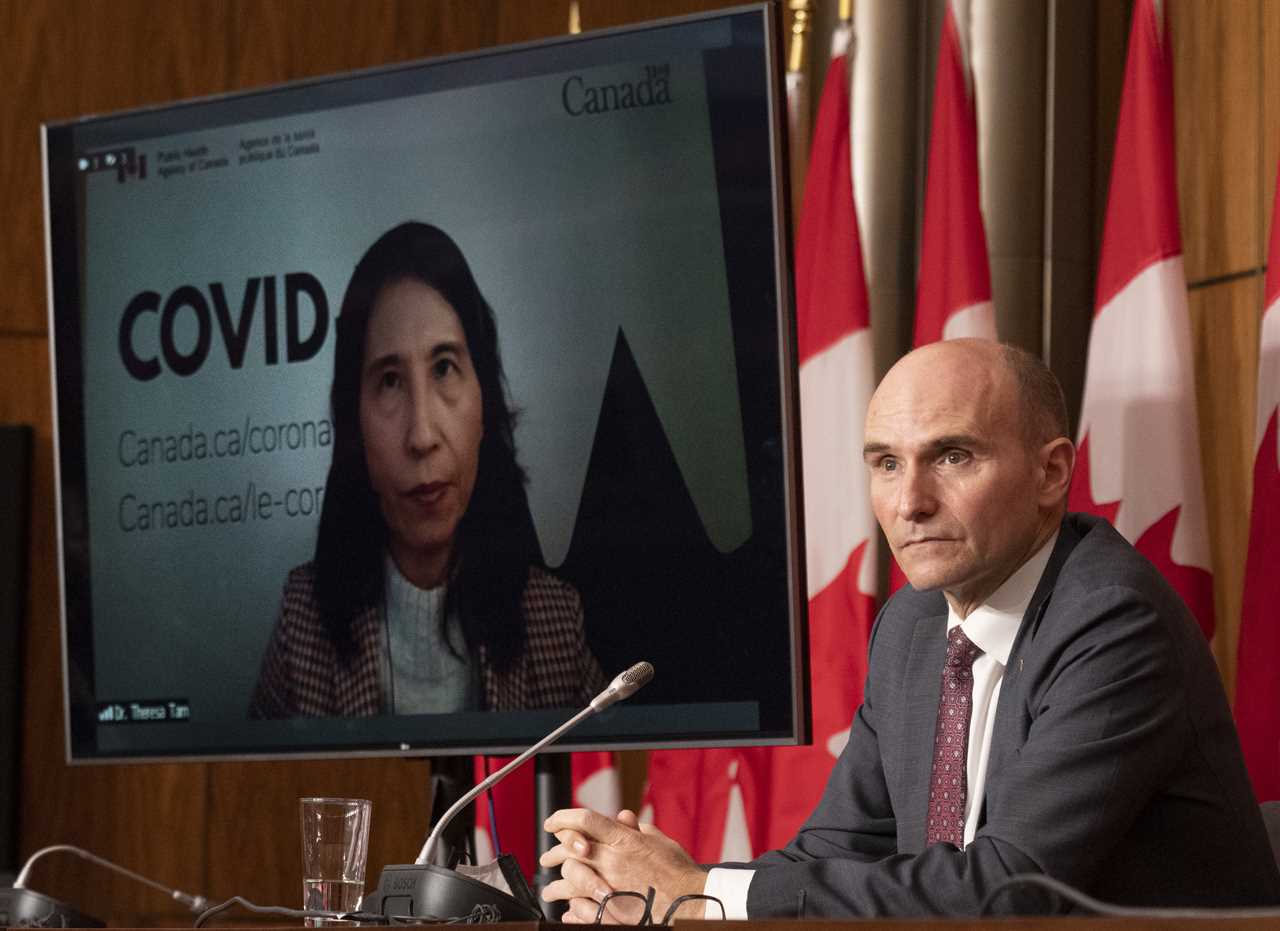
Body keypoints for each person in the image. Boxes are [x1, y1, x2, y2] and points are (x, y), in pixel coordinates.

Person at [540, 338, 1280, 918]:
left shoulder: (1114, 621)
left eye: (952, 456)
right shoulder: (915, 624)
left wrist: (698, 891)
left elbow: (1003, 889)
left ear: (1053, 473)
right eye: (886, 463)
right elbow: (836, 847)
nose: (910, 501)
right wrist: (657, 885)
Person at [250, 222, 605, 717]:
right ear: (356, 422)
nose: (421, 436)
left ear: (484, 401)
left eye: (444, 368)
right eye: (391, 381)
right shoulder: (302, 621)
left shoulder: (555, 622)